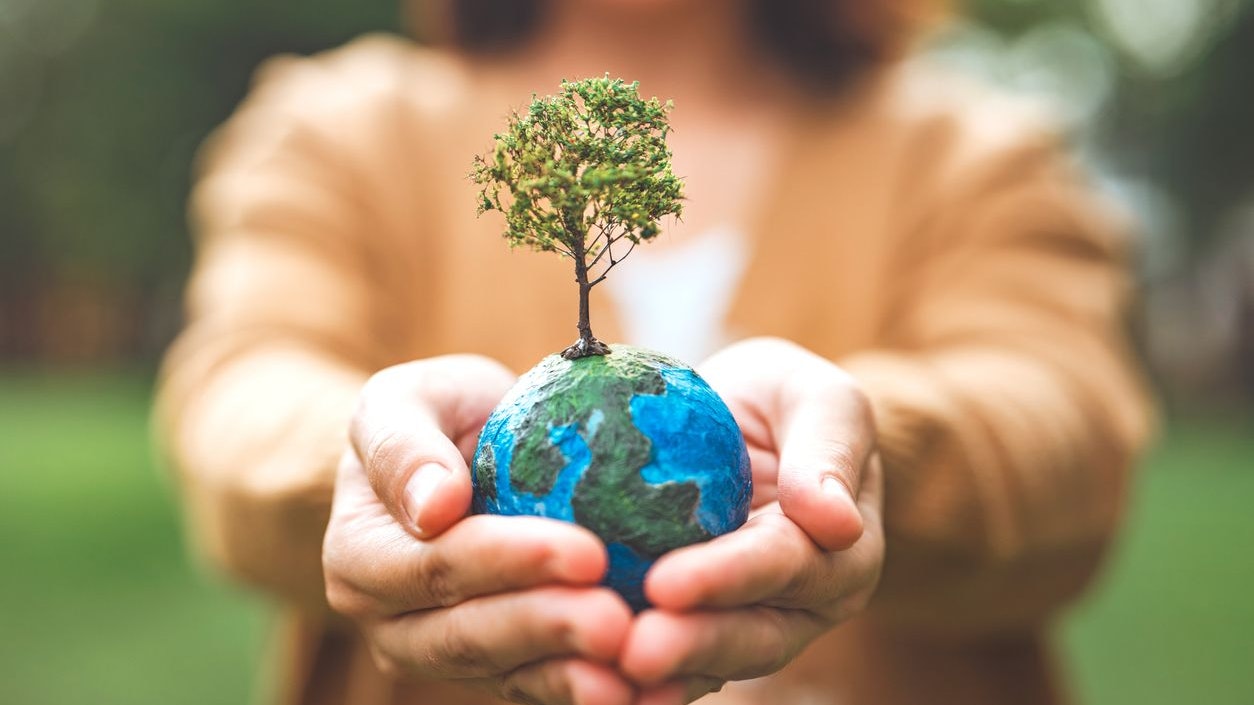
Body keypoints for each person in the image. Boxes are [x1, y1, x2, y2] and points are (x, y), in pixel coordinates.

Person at [156, 1, 1153, 704]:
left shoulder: (973, 151)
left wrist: (865, 453)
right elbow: (242, 392)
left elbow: (1065, 425)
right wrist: (373, 456)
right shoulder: (343, 131)